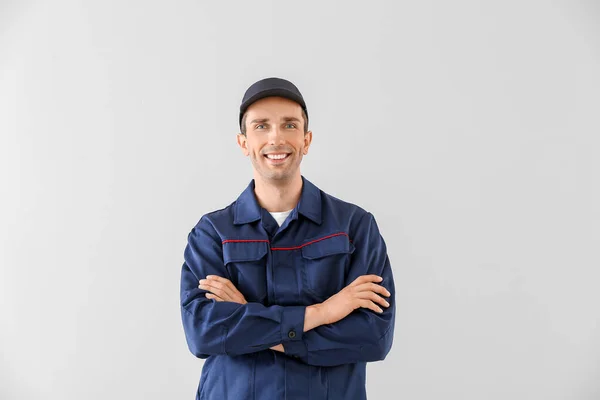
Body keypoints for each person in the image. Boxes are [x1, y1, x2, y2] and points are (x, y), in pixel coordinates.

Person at [180, 77, 396, 400]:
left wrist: (249, 319)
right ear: (243, 143)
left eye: (289, 125)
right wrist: (323, 312)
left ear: (306, 140)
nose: (276, 138)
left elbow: (374, 336)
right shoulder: (212, 235)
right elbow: (202, 333)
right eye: (261, 126)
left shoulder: (354, 228)